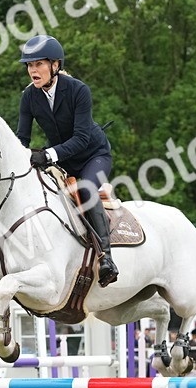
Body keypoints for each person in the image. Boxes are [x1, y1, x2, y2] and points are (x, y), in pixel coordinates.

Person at [15, 34, 119, 287]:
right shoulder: (29, 97)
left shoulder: (78, 90)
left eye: (38, 64)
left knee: (86, 189)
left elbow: (82, 139)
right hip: (63, 161)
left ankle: (106, 258)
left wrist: (47, 155)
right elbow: (22, 138)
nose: (33, 70)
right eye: (30, 65)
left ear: (55, 65)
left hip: (93, 155)